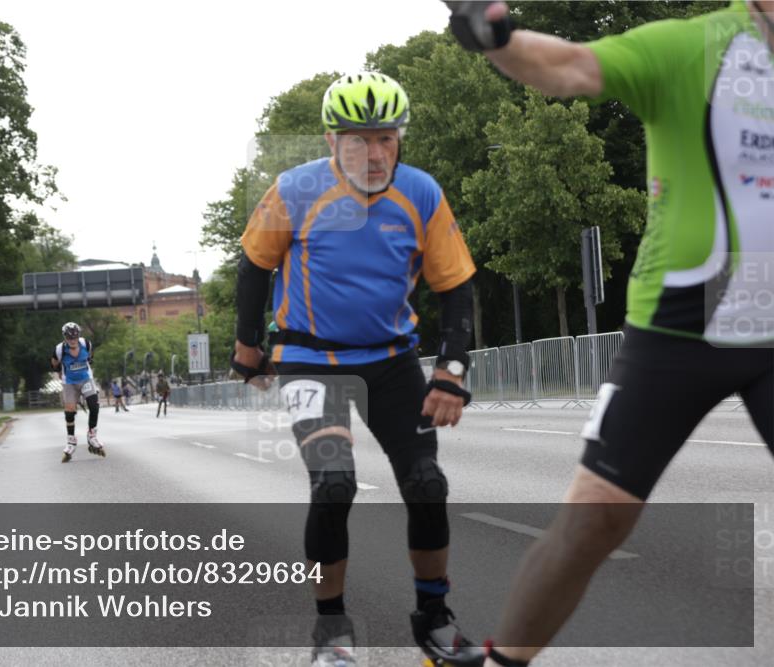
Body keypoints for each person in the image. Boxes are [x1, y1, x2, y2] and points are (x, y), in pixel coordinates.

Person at [442, 2, 774, 665]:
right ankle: (503, 659)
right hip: (680, 326)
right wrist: (495, 34)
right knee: (596, 518)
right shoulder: (694, 49)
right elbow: (569, 65)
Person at [232, 71, 480, 667]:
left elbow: (456, 288)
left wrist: (451, 369)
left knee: (427, 485)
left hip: (392, 360)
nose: (374, 153)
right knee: (334, 483)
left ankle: (434, 616)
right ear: (330, 140)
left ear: (400, 139)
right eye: (359, 140)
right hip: (310, 360)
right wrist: (246, 346)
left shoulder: (420, 193)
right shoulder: (295, 189)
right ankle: (331, 631)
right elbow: (253, 267)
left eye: (387, 139)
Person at [50, 322, 105, 463]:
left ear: (79, 336)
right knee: (69, 412)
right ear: (65, 338)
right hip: (69, 382)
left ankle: (92, 436)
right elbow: (54, 364)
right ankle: (71, 441)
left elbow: (90, 357)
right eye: (69, 338)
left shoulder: (86, 344)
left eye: (75, 337)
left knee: (94, 405)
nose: (73, 341)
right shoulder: (59, 349)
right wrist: (59, 369)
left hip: (86, 379)